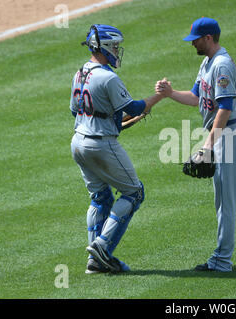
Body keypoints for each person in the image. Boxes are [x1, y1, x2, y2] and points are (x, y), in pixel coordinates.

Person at [156, 17, 236, 272]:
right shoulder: (208, 62)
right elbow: (197, 97)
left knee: (225, 198)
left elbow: (225, 107)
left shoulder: (221, 65)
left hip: (228, 134)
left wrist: (208, 144)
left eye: (196, 40)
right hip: (234, 131)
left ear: (208, 38)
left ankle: (221, 260)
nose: (192, 44)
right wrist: (169, 93)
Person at [70, 24, 162, 274]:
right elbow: (133, 108)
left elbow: (76, 111)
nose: (117, 51)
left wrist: (110, 120)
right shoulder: (108, 77)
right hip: (100, 143)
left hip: (78, 141)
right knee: (134, 193)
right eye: (115, 46)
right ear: (105, 47)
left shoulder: (79, 73)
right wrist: (159, 96)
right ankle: (102, 246)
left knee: (100, 197)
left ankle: (95, 261)